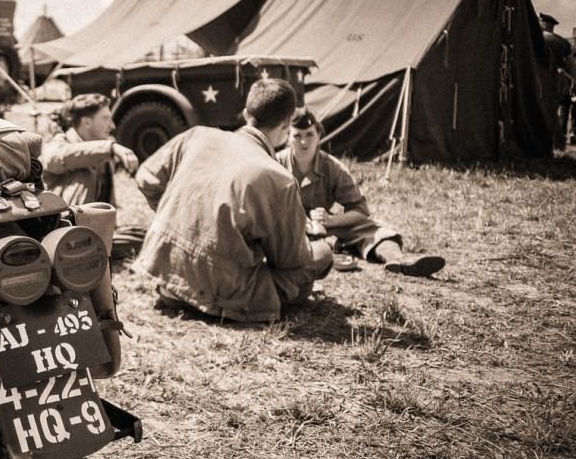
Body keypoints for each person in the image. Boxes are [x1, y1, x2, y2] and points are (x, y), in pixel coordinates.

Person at [134, 78, 332, 323]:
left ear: (247, 113)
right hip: (223, 292)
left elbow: (145, 178)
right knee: (322, 253)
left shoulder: (196, 135)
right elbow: (290, 260)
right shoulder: (279, 178)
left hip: (167, 275)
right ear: (287, 124)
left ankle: (180, 293)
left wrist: (175, 213)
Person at [275, 108, 445, 277]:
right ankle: (323, 248)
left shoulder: (332, 167)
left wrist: (330, 220)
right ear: (288, 138)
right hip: (287, 227)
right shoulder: (275, 163)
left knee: (372, 228)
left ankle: (399, 260)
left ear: (319, 135)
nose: (304, 142)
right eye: (297, 136)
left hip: (321, 226)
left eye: (310, 135)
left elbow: (360, 210)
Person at [40, 93, 138, 205]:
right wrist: (110, 147)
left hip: (95, 219)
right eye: (106, 119)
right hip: (57, 219)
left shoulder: (101, 150)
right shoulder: (58, 144)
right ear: (86, 122)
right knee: (85, 174)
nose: (112, 126)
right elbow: (56, 157)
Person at [539, 13, 576, 149]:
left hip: (545, 77)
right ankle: (556, 142)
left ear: (543, 24)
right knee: (555, 110)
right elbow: (572, 65)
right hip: (562, 78)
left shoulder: (538, 38)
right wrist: (573, 82)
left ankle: (558, 143)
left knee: (547, 110)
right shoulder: (563, 41)